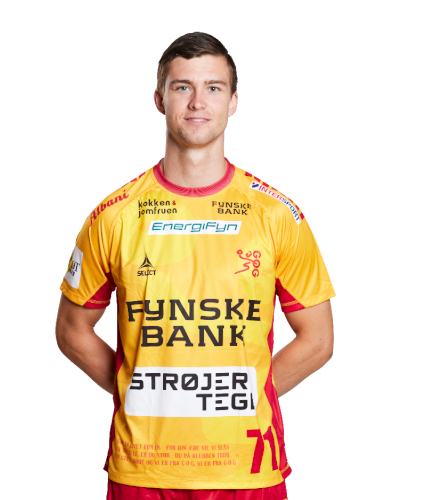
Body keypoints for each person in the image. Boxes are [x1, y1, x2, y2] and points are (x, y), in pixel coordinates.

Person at [55, 31, 336, 500]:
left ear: (233, 102)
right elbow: (71, 330)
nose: (197, 102)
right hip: (143, 470)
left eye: (213, 87)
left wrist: (242, 400)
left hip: (246, 471)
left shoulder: (278, 214)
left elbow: (318, 340)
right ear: (159, 100)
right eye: (182, 86)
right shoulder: (112, 216)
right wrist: (140, 393)